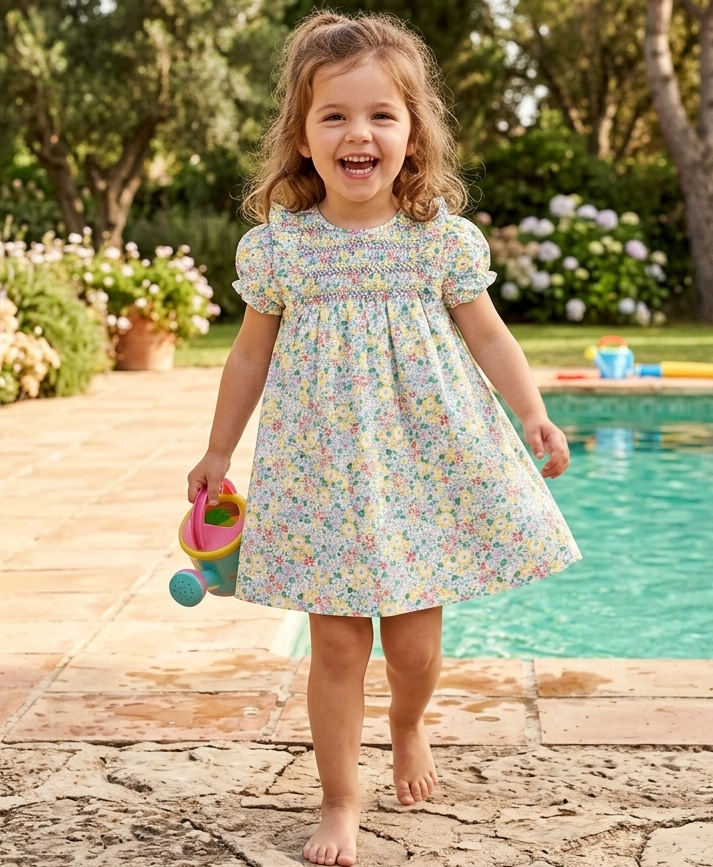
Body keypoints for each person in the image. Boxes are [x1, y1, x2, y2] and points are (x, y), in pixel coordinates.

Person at [187, 10, 581, 866]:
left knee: (412, 646)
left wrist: (532, 412)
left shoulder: (438, 241)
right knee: (335, 643)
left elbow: (488, 336)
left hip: (419, 471)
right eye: (333, 115)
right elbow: (249, 355)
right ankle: (340, 797)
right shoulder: (280, 249)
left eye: (380, 115)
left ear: (412, 133)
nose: (357, 133)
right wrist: (218, 449)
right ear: (302, 137)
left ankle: (406, 726)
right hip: (320, 474)